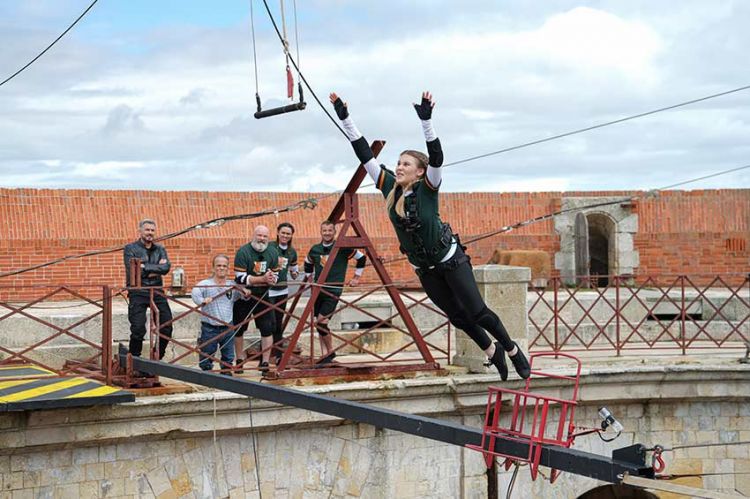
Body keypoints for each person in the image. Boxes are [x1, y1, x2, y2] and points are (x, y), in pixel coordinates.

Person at [328, 91, 530, 380]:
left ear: (420, 172)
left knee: (477, 312)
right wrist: (345, 117)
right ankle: (492, 352)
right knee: (458, 318)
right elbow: (363, 153)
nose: (399, 167)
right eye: (398, 163)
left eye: (406, 164)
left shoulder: (429, 187)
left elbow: (437, 156)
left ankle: (511, 350)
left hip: (450, 260)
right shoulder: (387, 185)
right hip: (425, 268)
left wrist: (427, 122)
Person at [304, 220, 367, 364]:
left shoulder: (342, 247)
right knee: (318, 322)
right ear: (321, 232)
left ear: (334, 232)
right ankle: (324, 355)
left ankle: (330, 351)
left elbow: (362, 258)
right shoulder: (315, 249)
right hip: (317, 290)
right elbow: (307, 263)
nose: (327, 233)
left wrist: (356, 277)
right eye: (324, 230)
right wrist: (309, 279)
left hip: (333, 290)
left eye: (330, 230)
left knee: (321, 322)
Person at [123, 218, 173, 359]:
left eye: (152, 230)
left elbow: (166, 268)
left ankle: (157, 356)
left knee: (167, 325)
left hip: (157, 291)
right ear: (140, 231)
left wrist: (145, 267)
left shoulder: (160, 249)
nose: (150, 233)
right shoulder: (130, 249)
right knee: (138, 328)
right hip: (138, 292)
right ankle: (135, 358)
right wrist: (156, 268)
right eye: (147, 230)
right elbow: (134, 271)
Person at [233, 225, 280, 372]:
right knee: (239, 328)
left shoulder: (273, 251)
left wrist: (272, 279)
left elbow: (276, 273)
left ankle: (265, 362)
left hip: (264, 295)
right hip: (244, 295)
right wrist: (262, 279)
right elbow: (240, 277)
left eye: (265, 236)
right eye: (259, 235)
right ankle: (239, 359)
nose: (262, 239)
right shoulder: (243, 252)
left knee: (267, 329)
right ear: (254, 235)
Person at [191, 254, 242, 374]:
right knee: (206, 356)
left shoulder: (232, 285)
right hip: (210, 327)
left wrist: (246, 291)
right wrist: (202, 301)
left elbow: (242, 295)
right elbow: (195, 292)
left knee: (228, 356)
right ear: (213, 268)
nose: (221, 268)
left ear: (228, 269)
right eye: (218, 265)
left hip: (227, 327)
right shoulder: (205, 283)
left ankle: (226, 375)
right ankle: (207, 377)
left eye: (224, 266)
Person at [268, 222, 300, 363]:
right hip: (268, 291)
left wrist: (296, 273)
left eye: (288, 233)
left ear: (291, 235)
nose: (285, 236)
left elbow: (294, 269)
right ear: (278, 233)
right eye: (283, 233)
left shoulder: (291, 251)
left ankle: (278, 355)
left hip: (282, 290)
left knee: (278, 323)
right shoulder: (269, 247)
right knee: (270, 323)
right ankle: (268, 354)